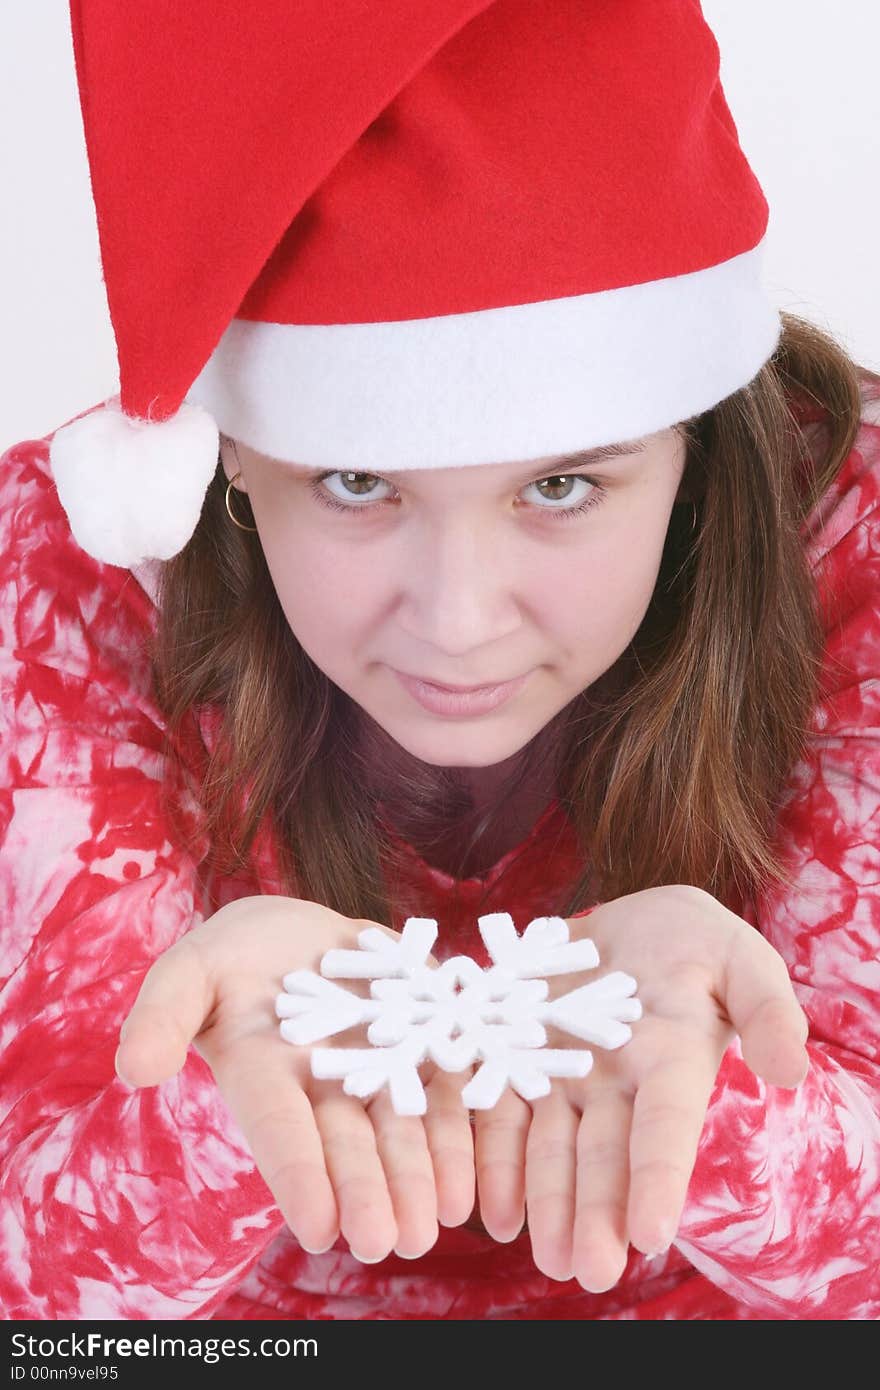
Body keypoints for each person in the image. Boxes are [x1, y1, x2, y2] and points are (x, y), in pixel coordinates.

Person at [1, 1, 878, 1321]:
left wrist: (738, 1095)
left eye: (565, 485)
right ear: (232, 454)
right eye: (356, 482)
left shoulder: (853, 551)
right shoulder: (69, 578)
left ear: (694, 443)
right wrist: (205, 1104)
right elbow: (35, 1296)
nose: (459, 619)